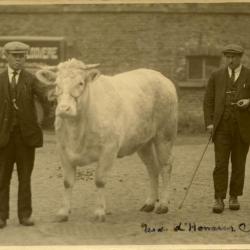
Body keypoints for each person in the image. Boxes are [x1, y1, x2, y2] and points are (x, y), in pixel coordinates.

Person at [0, 41, 47, 228]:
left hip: (26, 139)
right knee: (2, 178)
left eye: (22, 56)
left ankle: (25, 216)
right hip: (3, 138)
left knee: (25, 178)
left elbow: (47, 101)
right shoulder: (0, 79)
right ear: (6, 56)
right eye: (15, 56)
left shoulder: (32, 79)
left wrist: (37, 124)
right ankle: (1, 216)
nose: (19, 59)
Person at [203, 43, 250, 214]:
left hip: (243, 128)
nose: (230, 60)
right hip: (221, 127)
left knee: (239, 165)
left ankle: (234, 196)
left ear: (240, 58)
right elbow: (208, 100)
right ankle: (219, 198)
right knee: (220, 164)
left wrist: (248, 102)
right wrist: (209, 123)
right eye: (228, 57)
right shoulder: (216, 76)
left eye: (234, 57)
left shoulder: (249, 74)